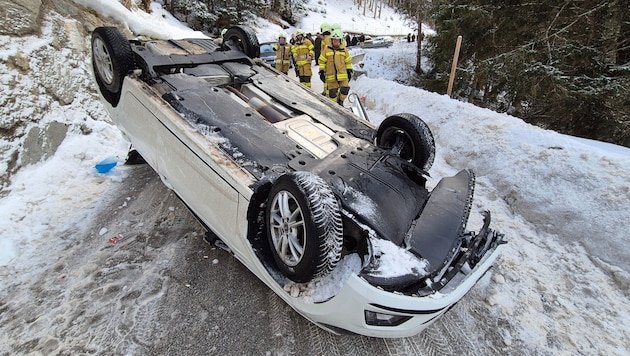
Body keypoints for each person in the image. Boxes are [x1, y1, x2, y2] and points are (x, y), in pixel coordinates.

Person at [318, 29, 353, 105]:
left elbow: (348, 61)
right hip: (331, 76)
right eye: (334, 40)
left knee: (345, 89)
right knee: (332, 93)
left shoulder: (344, 49)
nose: (335, 42)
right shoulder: (326, 49)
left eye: (337, 40)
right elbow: (322, 60)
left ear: (340, 40)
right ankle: (334, 106)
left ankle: (340, 101)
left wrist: (349, 70)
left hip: (342, 75)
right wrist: (321, 71)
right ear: (331, 40)